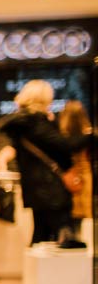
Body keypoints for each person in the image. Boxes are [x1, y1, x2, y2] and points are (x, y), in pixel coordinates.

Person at [0, 80, 94, 244]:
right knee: (61, 235)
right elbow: (64, 146)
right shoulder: (35, 123)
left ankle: (39, 270)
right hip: (50, 187)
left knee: (41, 234)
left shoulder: (23, 123)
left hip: (38, 187)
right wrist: (91, 136)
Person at [58, 101, 92, 238]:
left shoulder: (60, 137)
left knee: (67, 220)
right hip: (85, 177)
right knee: (82, 220)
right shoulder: (89, 136)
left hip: (67, 178)